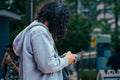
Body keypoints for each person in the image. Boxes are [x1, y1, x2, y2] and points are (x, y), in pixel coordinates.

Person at [13, 1, 78, 80]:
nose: (63, 27)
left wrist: (62, 58)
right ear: (56, 20)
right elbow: (47, 66)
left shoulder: (38, 31)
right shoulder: (39, 32)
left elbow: (44, 62)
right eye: (62, 23)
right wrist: (66, 60)